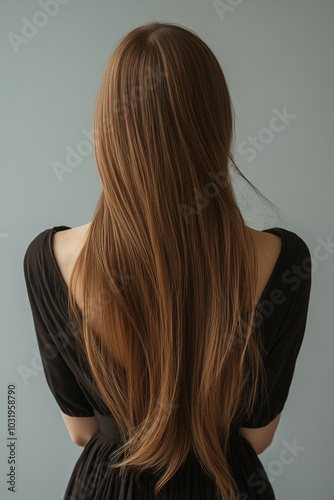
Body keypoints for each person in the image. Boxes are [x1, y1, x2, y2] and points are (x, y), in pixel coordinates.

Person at [23, 22, 312, 500]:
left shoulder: (50, 258)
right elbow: (257, 437)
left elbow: (80, 430)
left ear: (109, 127)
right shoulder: (283, 258)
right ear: (217, 123)